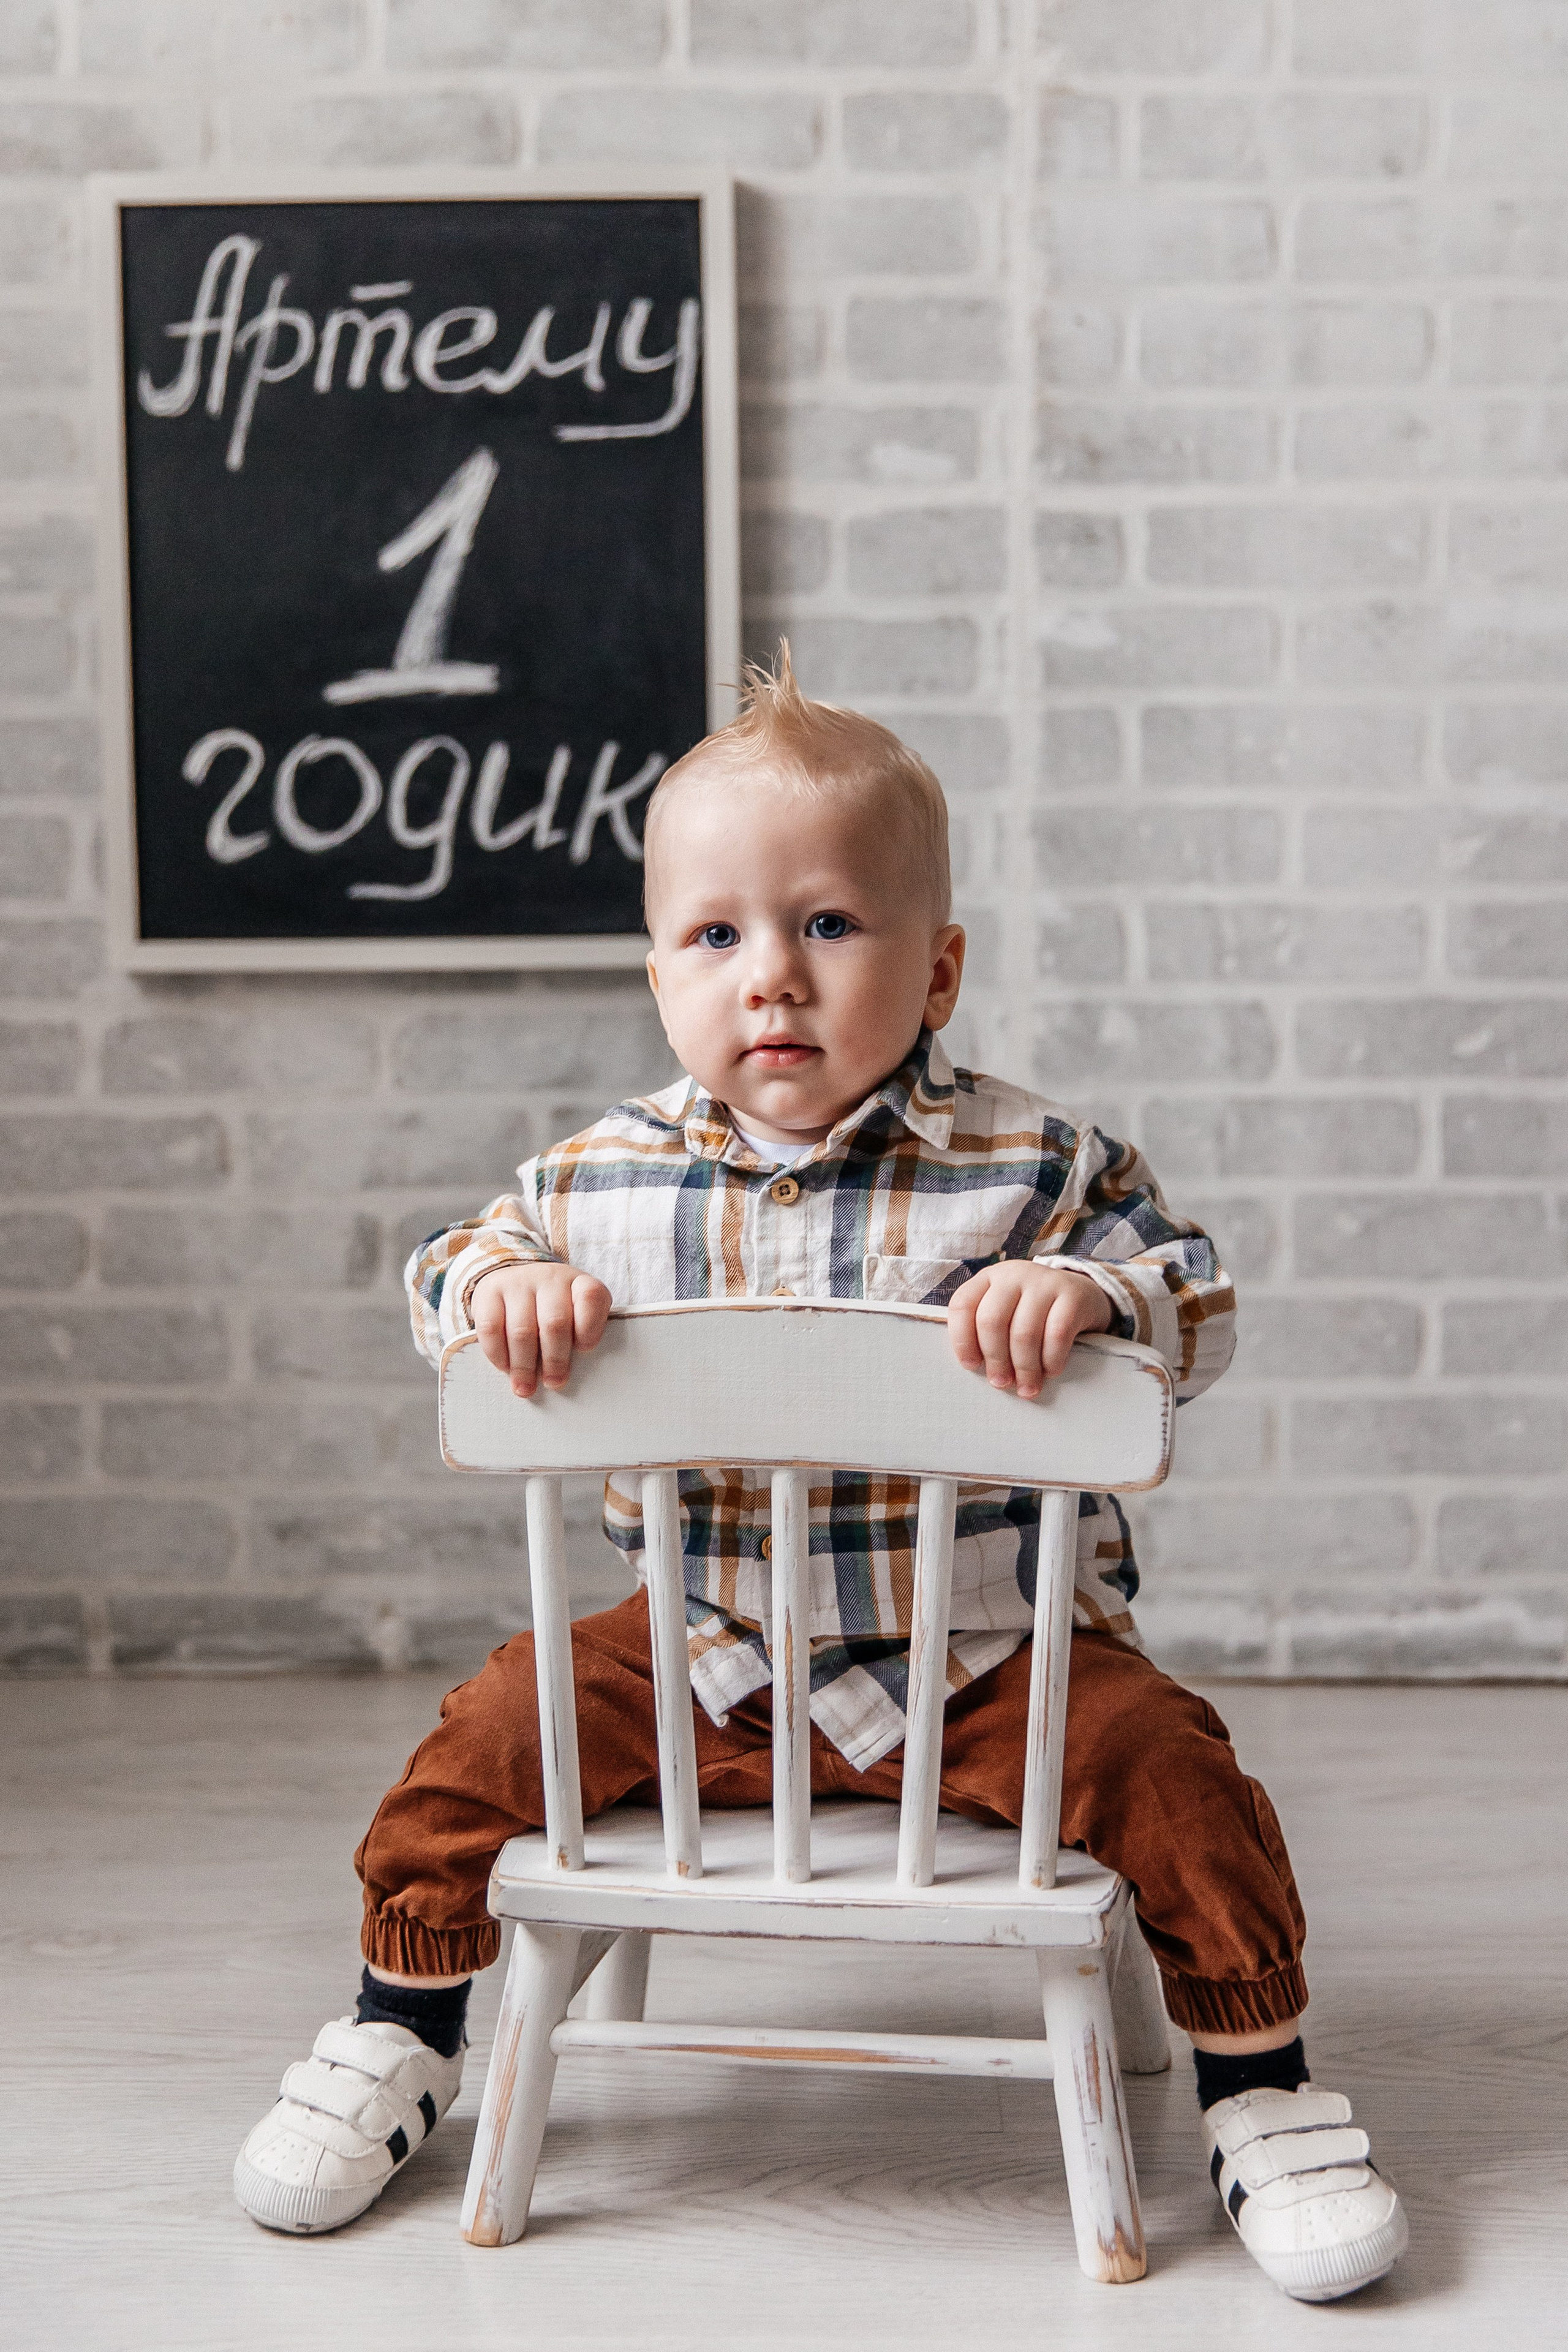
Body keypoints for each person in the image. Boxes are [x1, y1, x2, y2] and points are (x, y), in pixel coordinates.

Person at [235, 648, 1406, 2302]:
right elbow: (445, 1269)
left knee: (1181, 1783)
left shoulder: (1039, 1169)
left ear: (938, 971)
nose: (769, 977)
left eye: (828, 927)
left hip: (994, 1655)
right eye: (716, 936)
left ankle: (1261, 2090)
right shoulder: (598, 1183)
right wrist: (498, 1290)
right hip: (703, 1646)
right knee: (483, 1741)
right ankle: (402, 2031)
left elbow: (1196, 1290)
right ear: (659, 979)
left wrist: (1092, 1294)